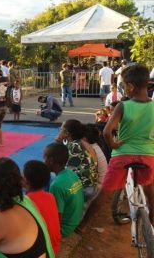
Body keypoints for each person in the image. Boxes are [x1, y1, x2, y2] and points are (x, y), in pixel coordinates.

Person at [103, 64, 154, 225]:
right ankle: (152, 216)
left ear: (130, 87)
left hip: (123, 154)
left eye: (123, 86)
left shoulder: (123, 106)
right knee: (150, 184)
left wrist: (114, 145)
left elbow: (106, 132)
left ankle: (82, 226)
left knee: (105, 191)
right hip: (148, 154)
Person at [56, 119, 99, 208]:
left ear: (67, 133)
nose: (59, 131)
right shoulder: (83, 143)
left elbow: (59, 169)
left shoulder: (73, 146)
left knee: (53, 183)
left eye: (61, 129)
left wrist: (57, 143)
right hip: (92, 187)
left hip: (82, 190)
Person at [44, 143, 84, 237]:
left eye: (44, 157)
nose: (43, 161)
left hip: (64, 229)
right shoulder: (71, 174)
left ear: (51, 160)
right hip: (75, 221)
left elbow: (57, 217)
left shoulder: (56, 185)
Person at [23, 160, 61, 255]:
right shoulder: (50, 197)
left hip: (43, 252)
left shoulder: (25, 202)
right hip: (54, 248)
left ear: (26, 181)